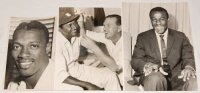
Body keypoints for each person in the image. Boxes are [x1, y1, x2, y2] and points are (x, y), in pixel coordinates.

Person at [131, 7, 197, 91]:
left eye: (162, 19)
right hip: (154, 74)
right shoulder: (143, 37)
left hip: (176, 76)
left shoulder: (180, 36)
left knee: (195, 82)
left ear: (167, 19)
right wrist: (148, 65)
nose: (158, 23)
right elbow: (136, 60)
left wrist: (188, 68)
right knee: (155, 79)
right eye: (154, 20)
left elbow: (188, 57)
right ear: (151, 20)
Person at [54, 7, 121, 90]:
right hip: (62, 78)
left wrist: (81, 21)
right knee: (79, 89)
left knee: (111, 76)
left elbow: (83, 35)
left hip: (76, 69)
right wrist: (87, 84)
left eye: (75, 22)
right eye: (70, 25)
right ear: (59, 28)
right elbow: (60, 75)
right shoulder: (56, 44)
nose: (75, 27)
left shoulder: (75, 35)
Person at [7, 21, 54, 90]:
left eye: (33, 46)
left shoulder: (62, 84)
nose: (23, 54)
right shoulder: (13, 86)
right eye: (16, 47)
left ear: (47, 48)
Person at [82, 14, 123, 86]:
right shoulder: (107, 37)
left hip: (122, 78)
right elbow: (84, 34)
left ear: (119, 28)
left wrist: (93, 47)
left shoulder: (124, 43)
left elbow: (116, 68)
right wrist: (80, 21)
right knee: (89, 74)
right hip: (114, 71)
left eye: (108, 25)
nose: (104, 29)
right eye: (104, 25)